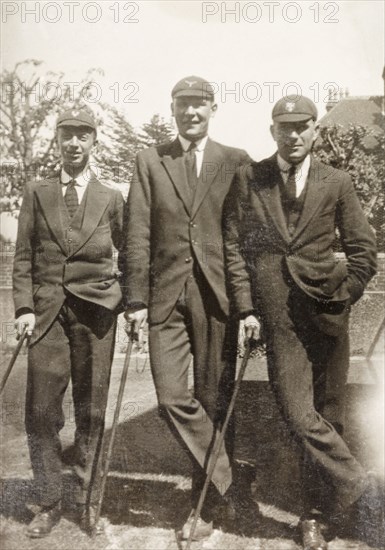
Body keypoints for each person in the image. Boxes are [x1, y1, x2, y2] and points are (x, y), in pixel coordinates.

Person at [223, 95, 380, 549]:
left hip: (328, 313)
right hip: (277, 317)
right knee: (298, 413)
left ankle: (316, 516)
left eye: (302, 126)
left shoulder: (338, 181)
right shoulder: (250, 178)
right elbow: (234, 246)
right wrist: (247, 307)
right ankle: (363, 486)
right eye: (284, 127)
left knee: (329, 416)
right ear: (272, 130)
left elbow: (362, 250)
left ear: (315, 130)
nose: (293, 135)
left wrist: (345, 294)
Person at [122, 76, 254, 540]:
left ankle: (207, 503)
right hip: (164, 295)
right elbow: (137, 233)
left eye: (199, 105)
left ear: (213, 108)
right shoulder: (149, 160)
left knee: (214, 398)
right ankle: (231, 478)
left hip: (216, 297)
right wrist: (135, 299)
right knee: (172, 397)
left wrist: (247, 304)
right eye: (183, 104)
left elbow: (245, 237)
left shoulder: (235, 161)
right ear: (172, 108)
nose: (191, 112)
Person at [13, 108, 124, 538]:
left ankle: (87, 499)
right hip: (46, 316)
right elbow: (23, 256)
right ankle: (48, 499)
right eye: (67, 136)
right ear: (57, 142)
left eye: (83, 136)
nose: (74, 143)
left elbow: (130, 252)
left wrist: (132, 304)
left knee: (92, 412)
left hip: (97, 315)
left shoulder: (112, 197)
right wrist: (24, 307)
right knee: (41, 412)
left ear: (94, 142)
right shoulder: (36, 193)